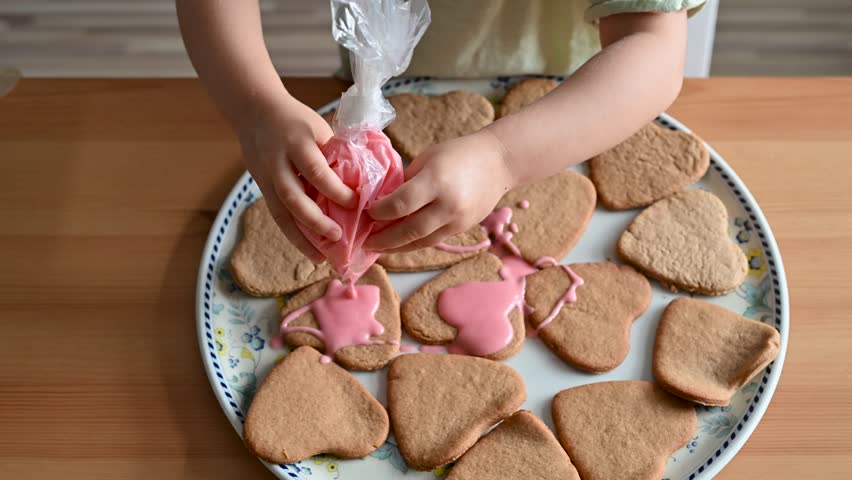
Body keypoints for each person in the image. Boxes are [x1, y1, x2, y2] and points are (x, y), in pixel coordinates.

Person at [176, 0, 704, 263]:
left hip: (571, 115)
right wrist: (253, 103)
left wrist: (504, 158)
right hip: (378, 94)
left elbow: (653, 50)